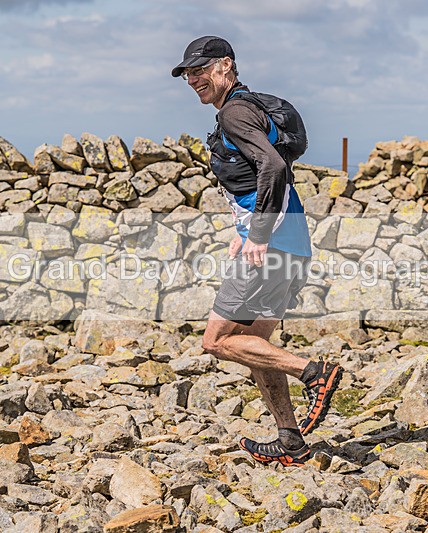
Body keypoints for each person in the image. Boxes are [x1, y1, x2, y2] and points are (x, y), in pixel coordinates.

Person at [171, 36, 344, 467]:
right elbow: (257, 179)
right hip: (291, 241)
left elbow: (272, 166)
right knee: (253, 343)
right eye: (188, 73)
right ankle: (290, 441)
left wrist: (259, 235)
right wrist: (246, 229)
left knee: (217, 341)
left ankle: (313, 373)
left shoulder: (234, 112)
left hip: (273, 245)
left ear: (226, 66)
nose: (194, 79)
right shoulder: (249, 108)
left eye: (201, 70)